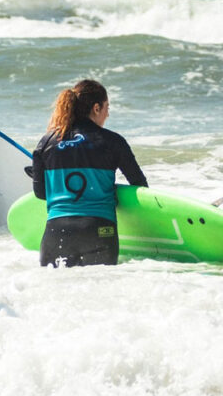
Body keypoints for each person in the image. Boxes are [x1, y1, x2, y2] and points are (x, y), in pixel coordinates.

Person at [31, 78, 147, 267]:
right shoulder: (113, 141)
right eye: (107, 107)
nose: (107, 114)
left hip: (56, 231)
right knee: (99, 292)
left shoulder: (46, 142)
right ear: (96, 108)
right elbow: (140, 186)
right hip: (99, 230)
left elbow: (41, 193)